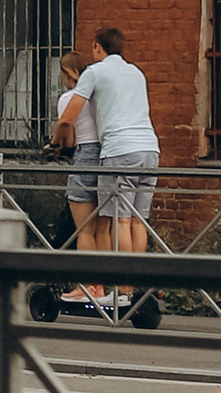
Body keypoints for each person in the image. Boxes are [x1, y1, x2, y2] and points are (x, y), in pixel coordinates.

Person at [64, 26, 160, 311]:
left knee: (119, 222)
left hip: (119, 150)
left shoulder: (95, 71)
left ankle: (122, 289)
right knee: (138, 221)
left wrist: (57, 140)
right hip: (150, 150)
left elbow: (70, 114)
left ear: (96, 47)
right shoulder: (137, 73)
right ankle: (135, 285)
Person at [50, 47, 102, 297]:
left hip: (84, 157)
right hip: (107, 155)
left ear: (65, 73)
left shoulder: (68, 99)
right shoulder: (98, 96)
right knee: (105, 229)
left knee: (84, 230)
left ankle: (86, 286)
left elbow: (69, 140)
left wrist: (53, 145)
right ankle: (105, 287)